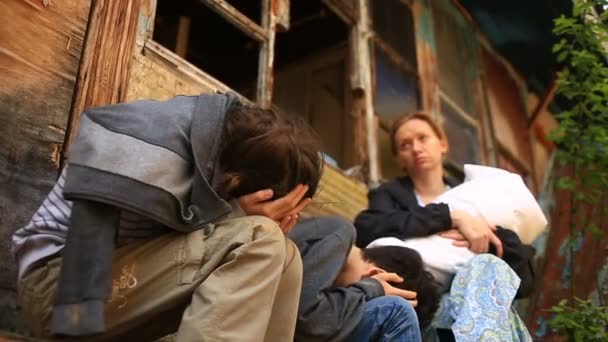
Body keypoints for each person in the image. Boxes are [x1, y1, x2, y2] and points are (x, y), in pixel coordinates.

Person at [12, 92, 323, 341]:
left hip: (115, 296)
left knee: (287, 255)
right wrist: (241, 217)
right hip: (58, 289)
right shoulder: (156, 144)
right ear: (238, 181)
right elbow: (98, 248)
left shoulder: (218, 154)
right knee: (262, 237)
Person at [354, 112, 533, 341]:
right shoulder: (388, 195)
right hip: (418, 302)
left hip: (468, 298)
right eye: (405, 145)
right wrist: (450, 217)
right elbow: (367, 228)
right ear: (399, 159)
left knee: (487, 267)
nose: (416, 148)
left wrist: (484, 231)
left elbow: (524, 280)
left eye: (423, 138)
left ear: (443, 144)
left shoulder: (477, 196)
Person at [288, 216, 422, 342]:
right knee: (398, 309)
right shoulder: (340, 232)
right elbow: (307, 320)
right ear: (375, 273)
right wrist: (370, 288)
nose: (351, 298)